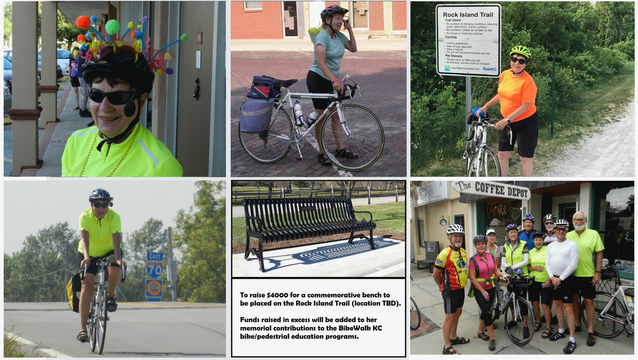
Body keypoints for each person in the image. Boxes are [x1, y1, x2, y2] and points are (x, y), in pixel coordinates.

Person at [61, 44, 183, 177]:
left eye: (118, 97)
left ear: (141, 102)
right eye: (96, 94)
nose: (104, 107)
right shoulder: (75, 142)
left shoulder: (161, 167)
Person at [307, 5, 357, 166]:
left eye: (342, 19)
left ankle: (340, 149)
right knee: (321, 116)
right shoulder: (322, 37)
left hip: (331, 80)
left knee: (335, 114)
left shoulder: (340, 37)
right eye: (337, 18)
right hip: (318, 78)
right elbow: (321, 64)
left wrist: (349, 30)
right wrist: (335, 81)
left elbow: (354, 49)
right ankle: (322, 152)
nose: (340, 21)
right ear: (327, 20)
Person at [478, 45, 538, 176]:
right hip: (508, 121)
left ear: (526, 63)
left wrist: (506, 120)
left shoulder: (528, 82)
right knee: (502, 154)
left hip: (526, 121)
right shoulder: (505, 75)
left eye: (521, 61)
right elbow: (502, 94)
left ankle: (525, 184)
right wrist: (486, 106)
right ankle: (503, 181)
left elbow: (525, 106)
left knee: (525, 157)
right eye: (514, 59)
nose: (517, 63)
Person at [76, 189, 126, 343]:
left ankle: (110, 296)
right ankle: (83, 329)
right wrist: (86, 258)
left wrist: (118, 259)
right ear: (91, 205)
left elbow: (116, 240)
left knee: (116, 266)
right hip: (89, 252)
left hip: (109, 250)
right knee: (87, 288)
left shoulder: (114, 217)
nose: (101, 208)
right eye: (97, 204)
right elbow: (84, 240)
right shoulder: (85, 217)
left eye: (104, 204)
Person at [567, 212, 604, 347]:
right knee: (574, 300)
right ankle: (577, 324)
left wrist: (598, 272)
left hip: (588, 274)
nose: (579, 222)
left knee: (588, 301)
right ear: (572, 221)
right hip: (572, 274)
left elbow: (599, 253)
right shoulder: (568, 235)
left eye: (581, 219)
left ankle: (590, 330)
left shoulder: (593, 234)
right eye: (576, 219)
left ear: (586, 221)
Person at [433, 224, 470, 355]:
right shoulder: (444, 254)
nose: (458, 238)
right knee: (449, 318)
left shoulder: (463, 252)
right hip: (450, 291)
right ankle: (447, 346)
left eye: (460, 236)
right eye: (455, 236)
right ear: (449, 238)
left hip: (460, 290)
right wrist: (441, 286)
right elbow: (435, 274)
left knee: (457, 315)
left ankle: (453, 338)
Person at [545, 219, 579, 354]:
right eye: (558, 229)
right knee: (557, 305)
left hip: (566, 279)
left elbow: (573, 265)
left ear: (567, 230)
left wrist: (560, 278)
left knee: (568, 308)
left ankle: (572, 339)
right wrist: (552, 277)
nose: (561, 231)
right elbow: (547, 262)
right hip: (554, 279)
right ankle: (560, 331)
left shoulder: (572, 244)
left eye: (563, 229)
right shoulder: (551, 245)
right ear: (555, 230)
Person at [469, 235, 507, 351]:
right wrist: (482, 291)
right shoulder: (473, 260)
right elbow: (473, 278)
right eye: (478, 244)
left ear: (486, 245)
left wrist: (504, 275)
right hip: (480, 290)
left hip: (491, 287)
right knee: (487, 312)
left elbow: (495, 270)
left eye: (483, 243)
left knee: (485, 310)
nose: (481, 245)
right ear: (475, 246)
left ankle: (480, 332)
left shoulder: (490, 256)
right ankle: (492, 338)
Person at [501, 223, 530, 337]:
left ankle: (525, 326)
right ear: (508, 235)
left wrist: (513, 267)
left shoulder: (524, 244)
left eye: (514, 232)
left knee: (522, 301)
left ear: (517, 233)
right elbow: (503, 261)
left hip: (521, 277)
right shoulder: (505, 246)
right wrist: (507, 267)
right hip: (510, 277)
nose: (513, 234)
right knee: (511, 300)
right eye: (510, 232)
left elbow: (526, 260)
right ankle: (513, 320)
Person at [527, 231, 554, 338]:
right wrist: (534, 268)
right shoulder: (530, 252)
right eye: (536, 240)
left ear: (543, 241)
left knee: (545, 305)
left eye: (540, 240)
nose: (538, 242)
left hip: (545, 281)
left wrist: (548, 280)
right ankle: (538, 321)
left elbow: (552, 266)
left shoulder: (548, 250)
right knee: (535, 303)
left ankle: (548, 326)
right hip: (533, 281)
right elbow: (527, 267)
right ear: (533, 241)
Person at [77, 45, 92, 119]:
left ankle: (83, 108)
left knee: (84, 92)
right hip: (83, 74)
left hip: (81, 74)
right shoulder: (85, 50)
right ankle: (83, 110)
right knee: (85, 93)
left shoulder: (82, 49)